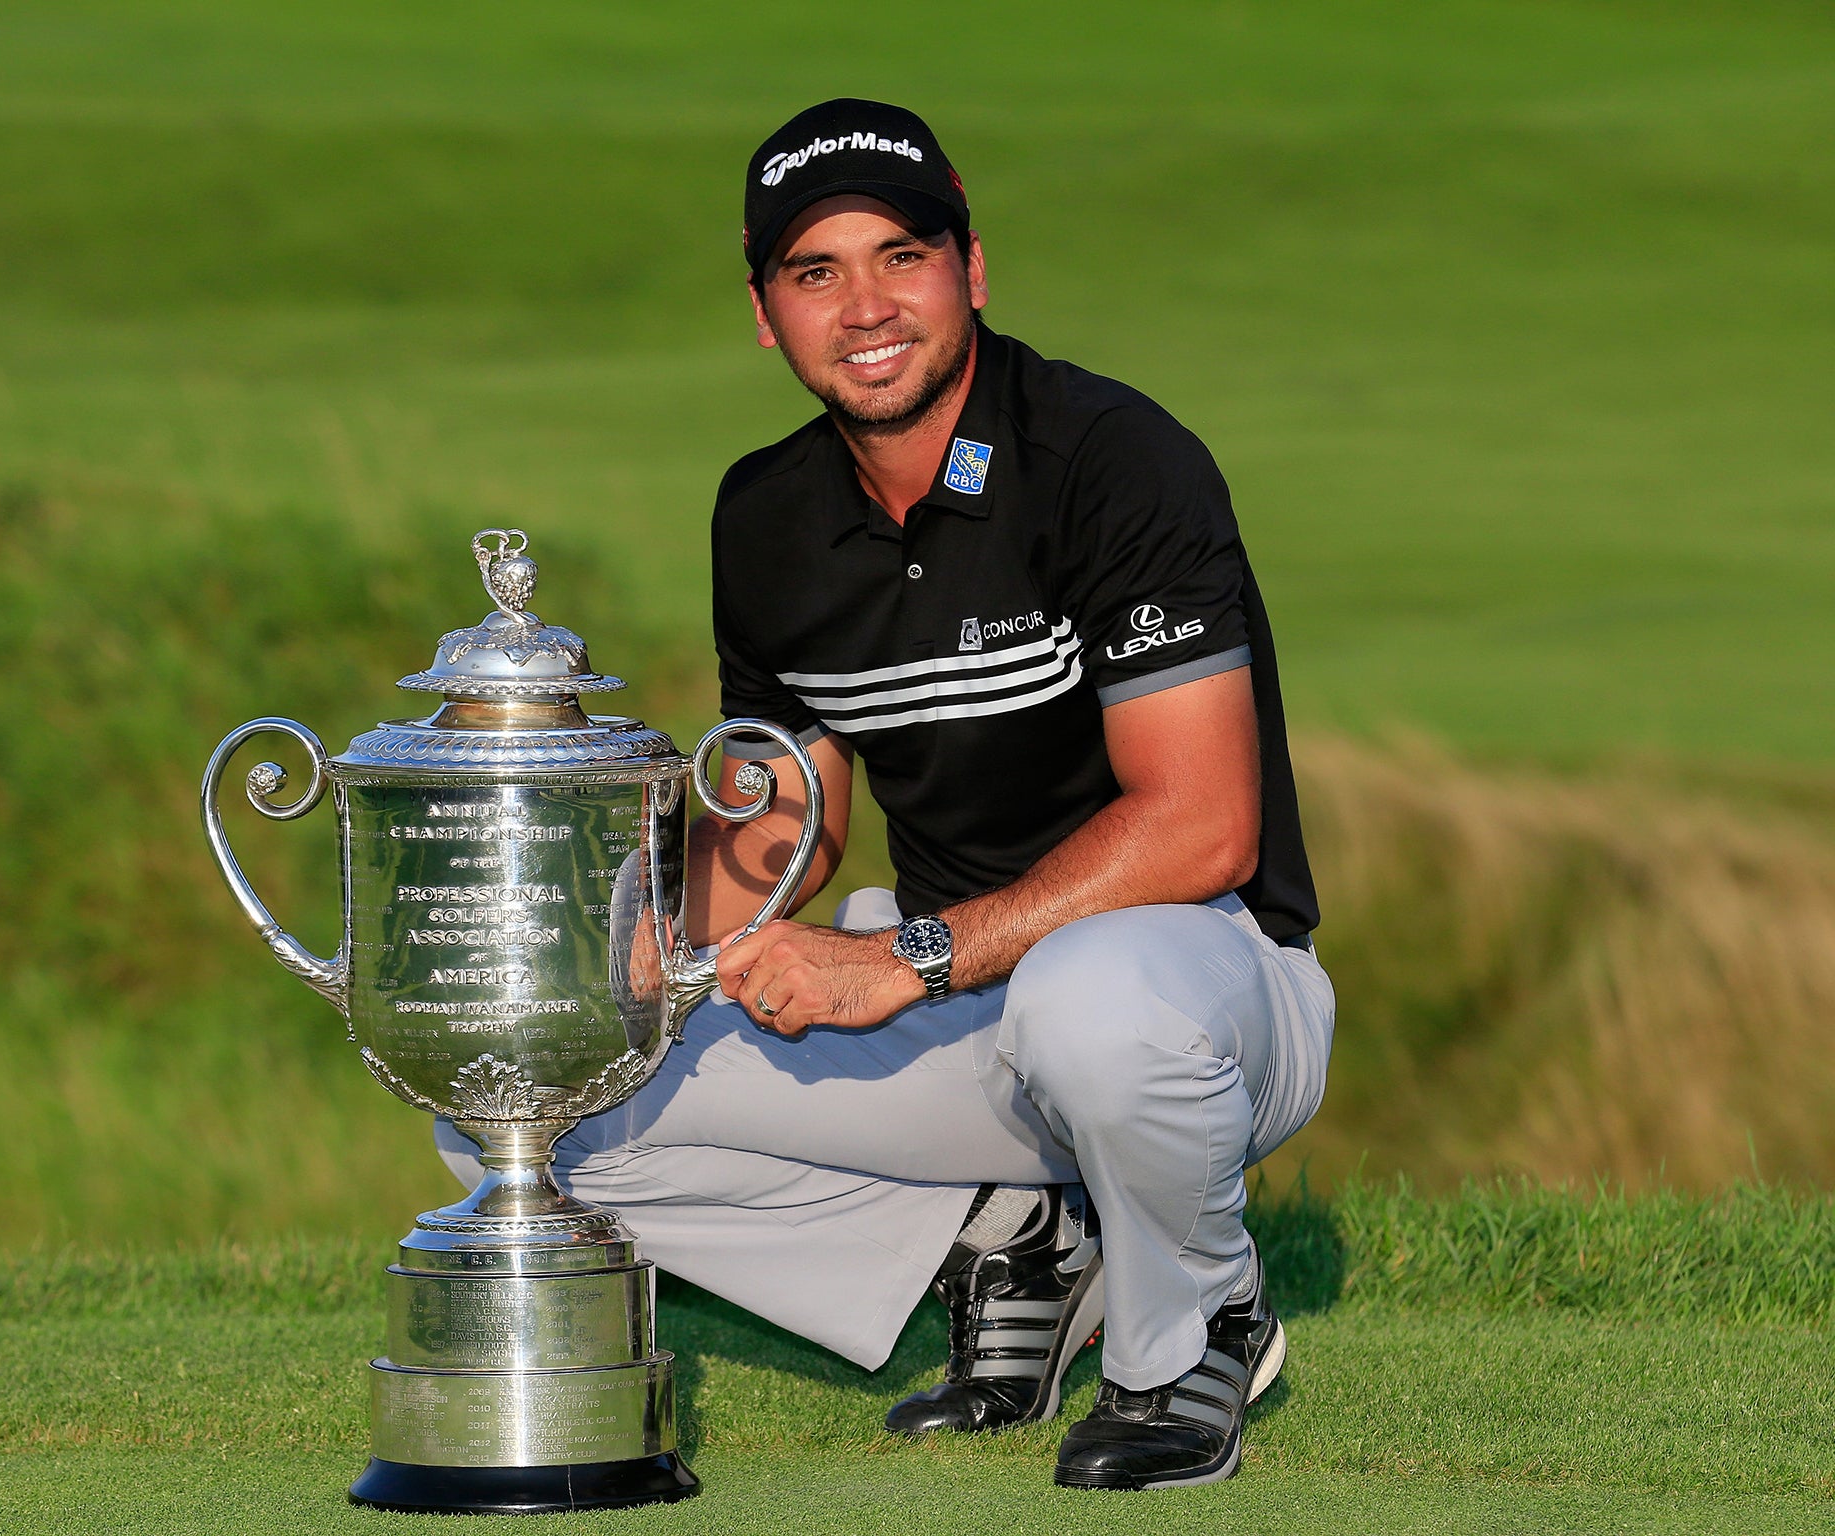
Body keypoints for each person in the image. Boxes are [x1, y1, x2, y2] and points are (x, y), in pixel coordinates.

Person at [436, 97, 1334, 1491]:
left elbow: (1202, 823)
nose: (864, 306)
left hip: (1204, 984)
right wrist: (660, 954)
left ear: (971, 269)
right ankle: (1012, 1247)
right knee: (531, 1093)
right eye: (815, 273)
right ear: (765, 314)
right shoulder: (768, 515)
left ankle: (1196, 1325)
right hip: (955, 993)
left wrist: (902, 959)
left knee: (1089, 999)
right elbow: (793, 803)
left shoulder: (1111, 457)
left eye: (899, 256)